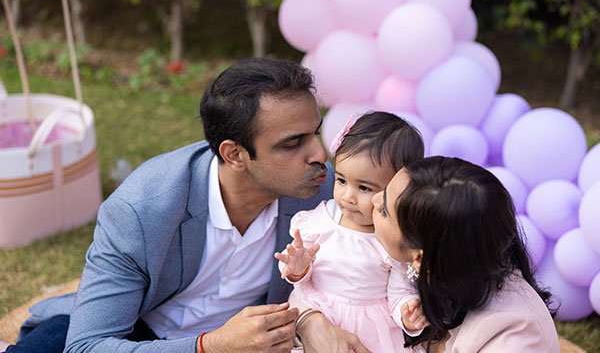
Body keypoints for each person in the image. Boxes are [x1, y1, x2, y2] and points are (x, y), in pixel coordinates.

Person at [5, 57, 371, 353]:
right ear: (235, 154)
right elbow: (88, 345)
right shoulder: (142, 209)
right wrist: (210, 346)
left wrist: (309, 320)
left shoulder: (325, 189)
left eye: (315, 133)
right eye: (293, 143)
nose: (319, 155)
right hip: (136, 329)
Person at [371, 156, 560, 353]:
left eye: (384, 210)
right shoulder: (452, 270)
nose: (374, 200)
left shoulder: (512, 341)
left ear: (420, 258)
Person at [275, 111, 428, 352]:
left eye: (364, 188)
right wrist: (298, 268)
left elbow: (398, 291)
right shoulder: (319, 221)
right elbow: (302, 279)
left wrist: (407, 311)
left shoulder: (390, 239)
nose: (348, 197)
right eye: (341, 180)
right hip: (319, 315)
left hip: (373, 333)